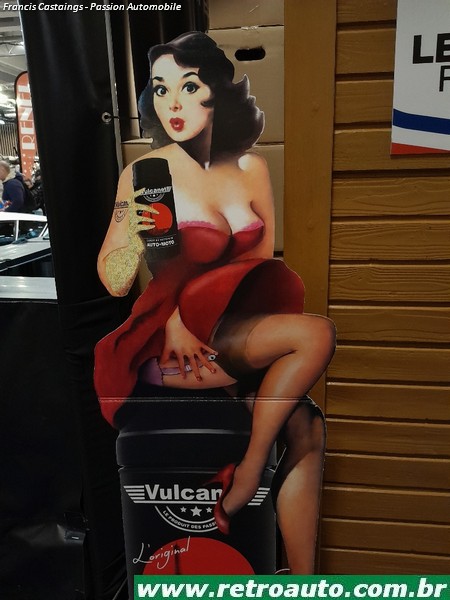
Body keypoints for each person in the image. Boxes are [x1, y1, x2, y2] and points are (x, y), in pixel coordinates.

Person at [94, 32, 336, 574]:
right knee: (317, 333)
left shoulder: (252, 168)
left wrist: (223, 328)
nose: (172, 103)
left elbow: (259, 270)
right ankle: (249, 471)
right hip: (170, 345)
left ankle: (304, 581)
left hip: (231, 329)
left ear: (217, 93)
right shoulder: (145, 174)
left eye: (188, 86)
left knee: (307, 428)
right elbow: (115, 282)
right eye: (160, 89)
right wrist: (132, 240)